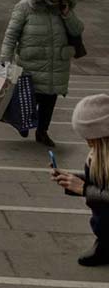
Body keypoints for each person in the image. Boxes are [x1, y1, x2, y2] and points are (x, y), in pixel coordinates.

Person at [0, 0, 84, 147]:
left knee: (49, 100)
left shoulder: (64, 10)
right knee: (28, 98)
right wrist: (5, 58)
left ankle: (42, 132)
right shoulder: (25, 7)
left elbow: (77, 30)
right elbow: (11, 35)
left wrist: (67, 14)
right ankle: (22, 123)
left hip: (56, 65)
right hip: (31, 63)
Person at [52, 94, 109, 266]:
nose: (85, 141)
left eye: (88, 137)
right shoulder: (100, 153)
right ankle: (105, 241)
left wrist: (83, 189)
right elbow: (100, 182)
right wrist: (72, 180)